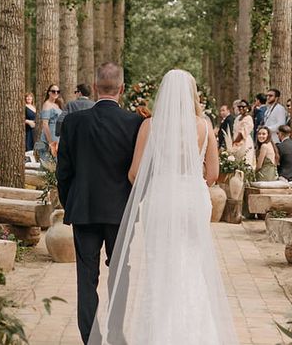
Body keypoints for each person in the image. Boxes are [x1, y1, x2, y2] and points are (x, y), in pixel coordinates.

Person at [72, 68, 239, 345]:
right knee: (192, 263)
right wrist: (189, 182)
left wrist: (159, 183)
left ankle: (158, 334)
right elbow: (212, 174)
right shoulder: (204, 126)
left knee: (160, 264)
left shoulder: (151, 125)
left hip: (161, 199)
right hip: (191, 199)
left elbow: (134, 173)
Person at [56, 62, 145, 345]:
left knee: (86, 277)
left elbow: (64, 171)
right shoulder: (135, 123)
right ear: (121, 89)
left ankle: (91, 339)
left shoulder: (74, 122)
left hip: (83, 209)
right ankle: (117, 334)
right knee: (120, 275)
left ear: (94, 87)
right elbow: (138, 172)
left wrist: (70, 201)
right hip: (120, 212)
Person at [36, 84, 62, 167]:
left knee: (57, 161)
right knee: (49, 162)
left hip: (58, 135)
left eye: (58, 91)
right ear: (49, 93)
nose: (56, 93)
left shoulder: (57, 104)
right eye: (53, 91)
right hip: (51, 135)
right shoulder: (47, 104)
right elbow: (45, 124)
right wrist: (50, 142)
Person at [232, 100, 255, 168]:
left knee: (245, 161)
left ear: (247, 107)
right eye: (239, 106)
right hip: (236, 140)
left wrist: (235, 142)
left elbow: (243, 133)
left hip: (244, 142)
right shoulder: (237, 118)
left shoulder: (248, 118)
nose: (241, 108)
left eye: (243, 106)